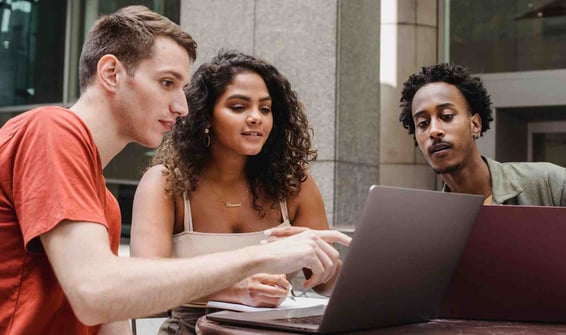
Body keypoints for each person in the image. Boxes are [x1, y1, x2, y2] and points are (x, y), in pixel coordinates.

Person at [0, 6, 350, 335]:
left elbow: (114, 315)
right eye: (167, 83)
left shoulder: (103, 202)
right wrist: (262, 255)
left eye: (182, 89)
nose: (182, 106)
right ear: (111, 73)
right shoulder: (51, 129)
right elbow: (96, 294)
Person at [129, 50, 339, 334]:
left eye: (265, 109)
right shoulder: (166, 183)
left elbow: (328, 286)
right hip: (193, 329)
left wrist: (329, 267)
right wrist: (230, 290)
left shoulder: (293, 184)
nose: (256, 118)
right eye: (239, 107)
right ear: (206, 117)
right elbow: (143, 288)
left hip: (277, 329)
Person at [398, 62, 566, 315]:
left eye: (446, 116)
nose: (434, 130)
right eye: (423, 123)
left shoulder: (550, 183)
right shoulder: (429, 228)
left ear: (475, 125)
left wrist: (563, 302)